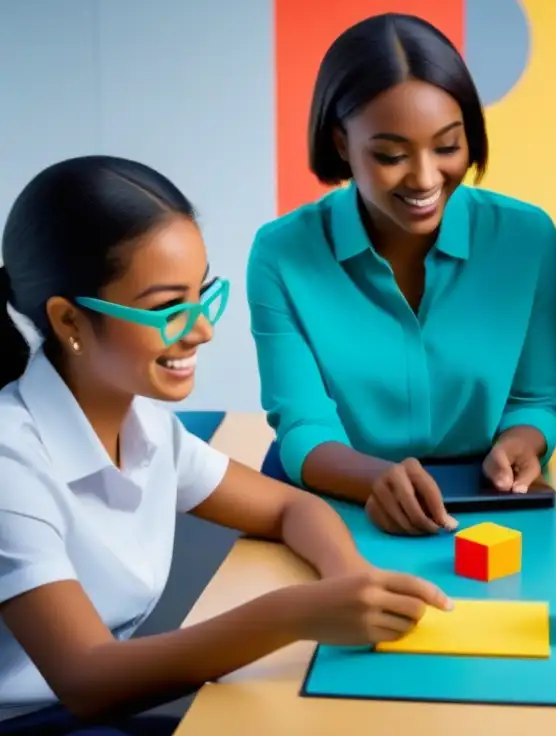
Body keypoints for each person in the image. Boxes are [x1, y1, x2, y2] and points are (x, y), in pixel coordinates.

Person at [0, 156, 451, 735]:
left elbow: (292, 506)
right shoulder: (12, 462)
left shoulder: (149, 429)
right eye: (167, 309)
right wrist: (294, 614)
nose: (203, 330)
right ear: (68, 322)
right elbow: (87, 679)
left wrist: (347, 577)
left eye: (204, 294)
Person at [247, 13, 556, 536]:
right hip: (337, 500)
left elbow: (533, 401)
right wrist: (376, 481)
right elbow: (302, 426)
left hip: (493, 507)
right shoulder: (282, 253)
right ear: (340, 143)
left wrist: (522, 441)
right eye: (391, 154)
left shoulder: (528, 240)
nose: (424, 177)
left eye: (447, 147)